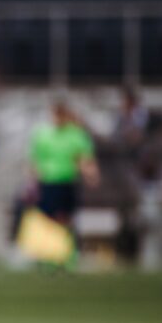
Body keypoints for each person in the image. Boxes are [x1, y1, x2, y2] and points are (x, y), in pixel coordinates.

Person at [28, 98, 100, 231]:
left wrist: (91, 176)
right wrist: (33, 181)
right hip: (48, 182)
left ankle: (67, 247)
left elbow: (83, 159)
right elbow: (35, 161)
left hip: (67, 182)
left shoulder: (75, 134)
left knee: (66, 219)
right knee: (47, 219)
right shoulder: (43, 134)